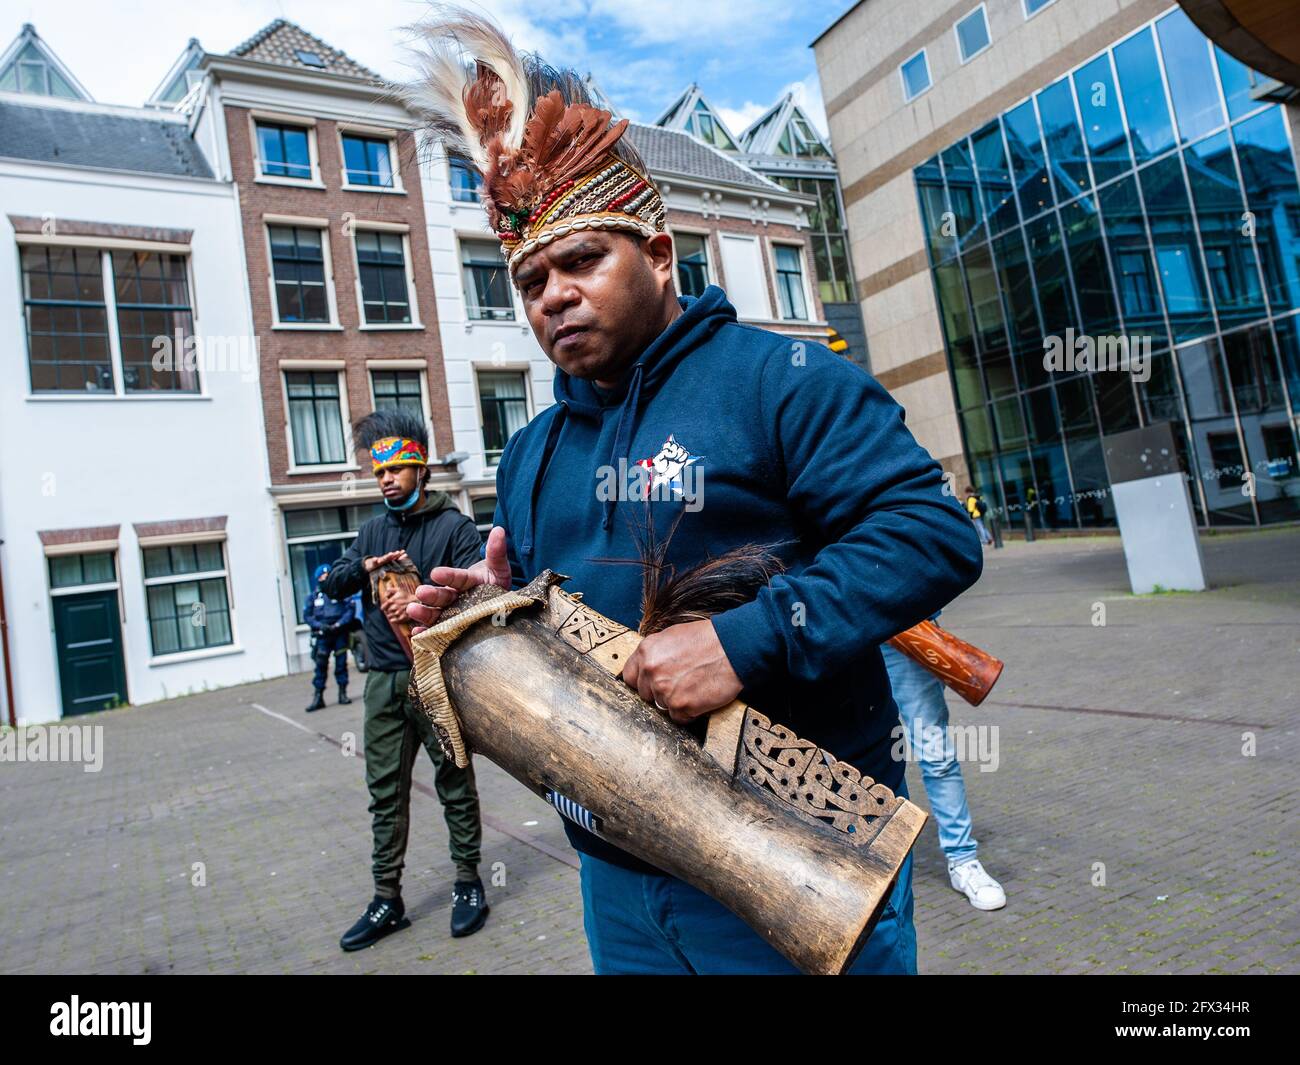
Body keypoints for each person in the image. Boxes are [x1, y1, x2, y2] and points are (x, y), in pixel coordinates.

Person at [401, 11, 984, 975]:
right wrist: (490, 619)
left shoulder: (781, 378)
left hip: (794, 863)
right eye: (530, 277)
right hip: (616, 881)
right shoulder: (531, 453)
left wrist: (741, 642)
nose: (553, 293)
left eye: (583, 259)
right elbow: (567, 635)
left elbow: (930, 535)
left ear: (661, 254)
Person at [322, 408, 490, 950]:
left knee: (454, 782)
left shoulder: (455, 528)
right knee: (384, 794)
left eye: (395, 467)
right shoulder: (372, 528)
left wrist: (420, 595)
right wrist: (366, 568)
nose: (386, 478)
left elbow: (480, 601)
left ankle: (468, 883)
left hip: (438, 677)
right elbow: (334, 584)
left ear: (420, 467)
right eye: (377, 472)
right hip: (383, 682)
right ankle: (386, 898)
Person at [882, 629, 1006, 911]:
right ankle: (856, 856)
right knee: (845, 754)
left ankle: (963, 861)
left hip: (903, 632)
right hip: (837, 629)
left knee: (936, 754)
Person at [302, 563, 355, 712]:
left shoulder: (341, 593)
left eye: (328, 576)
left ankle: (343, 694)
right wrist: (319, 626)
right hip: (323, 635)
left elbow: (350, 610)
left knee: (341, 664)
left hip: (339, 633)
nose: (326, 579)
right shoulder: (314, 596)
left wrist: (339, 624)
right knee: (320, 666)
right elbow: (307, 615)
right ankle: (318, 698)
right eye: (323, 577)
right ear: (318, 578)